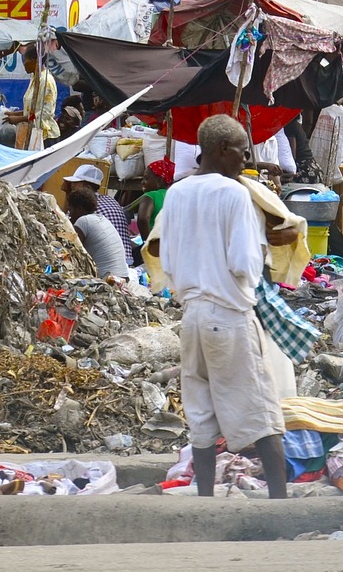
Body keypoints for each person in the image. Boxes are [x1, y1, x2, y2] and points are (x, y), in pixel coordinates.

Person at [145, 114, 300, 500]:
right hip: (229, 316)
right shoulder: (235, 195)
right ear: (222, 149)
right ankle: (281, 508)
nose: (246, 160)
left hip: (191, 318)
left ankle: (206, 503)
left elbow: (166, 259)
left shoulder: (177, 192)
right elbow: (244, 265)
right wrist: (265, 245)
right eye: (243, 152)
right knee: (263, 416)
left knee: (200, 418)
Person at [64, 163, 139, 266]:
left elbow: (68, 230)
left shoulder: (83, 204)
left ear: (87, 186)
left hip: (108, 265)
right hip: (126, 259)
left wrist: (67, 193)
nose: (71, 186)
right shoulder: (110, 200)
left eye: (75, 183)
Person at [0, 46, 58, 148]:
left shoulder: (46, 81)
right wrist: (13, 114)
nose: (24, 64)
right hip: (34, 133)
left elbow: (44, 114)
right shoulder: (35, 78)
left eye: (25, 60)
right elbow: (33, 111)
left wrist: (19, 119)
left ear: (33, 61)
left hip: (46, 136)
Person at [66, 188, 130, 280]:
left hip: (108, 280)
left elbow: (71, 251)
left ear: (79, 209)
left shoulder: (83, 221)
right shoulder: (101, 219)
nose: (69, 213)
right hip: (123, 277)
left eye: (71, 209)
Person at [135, 158, 177, 248]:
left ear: (159, 181)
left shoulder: (150, 195)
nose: (142, 182)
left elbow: (142, 219)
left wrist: (147, 243)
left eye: (146, 178)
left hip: (155, 246)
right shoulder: (174, 195)